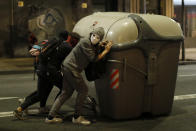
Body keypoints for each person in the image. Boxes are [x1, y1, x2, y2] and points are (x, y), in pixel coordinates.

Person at [45, 27, 113, 125]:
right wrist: (106, 50)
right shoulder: (85, 42)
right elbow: (93, 58)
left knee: (66, 92)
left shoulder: (89, 43)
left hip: (67, 67)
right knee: (83, 90)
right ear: (91, 34)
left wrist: (100, 44)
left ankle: (50, 117)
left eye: (98, 37)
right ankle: (77, 117)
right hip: (72, 68)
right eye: (94, 35)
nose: (95, 38)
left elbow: (94, 47)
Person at [13, 31, 81, 120]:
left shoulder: (52, 41)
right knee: (66, 89)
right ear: (72, 39)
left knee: (40, 94)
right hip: (50, 72)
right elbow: (76, 58)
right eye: (77, 40)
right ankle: (54, 111)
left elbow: (38, 50)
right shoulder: (67, 46)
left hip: (41, 69)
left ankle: (20, 109)